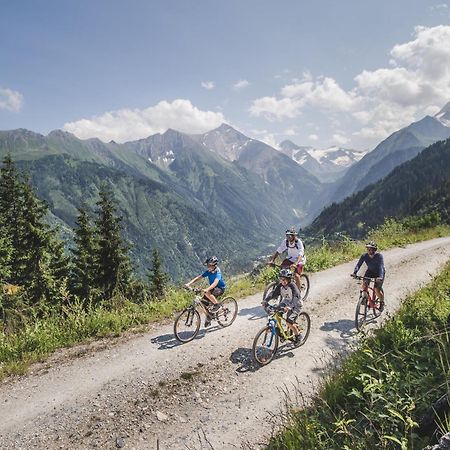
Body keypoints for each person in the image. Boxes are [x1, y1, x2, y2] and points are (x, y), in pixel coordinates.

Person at [262, 268, 303, 344]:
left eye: (284, 280)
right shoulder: (281, 285)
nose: (282, 281)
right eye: (281, 279)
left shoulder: (292, 286)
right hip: (286, 302)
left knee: (289, 322)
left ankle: (298, 335)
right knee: (276, 312)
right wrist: (265, 300)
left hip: (296, 304)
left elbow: (296, 297)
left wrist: (289, 307)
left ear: (288, 279)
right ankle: (280, 332)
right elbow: (273, 293)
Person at [185, 255, 226, 327]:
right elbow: (198, 277)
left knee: (207, 293)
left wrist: (207, 289)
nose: (208, 267)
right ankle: (209, 316)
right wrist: (189, 284)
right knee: (203, 303)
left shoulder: (217, 272)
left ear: (214, 265)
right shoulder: (208, 272)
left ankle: (217, 305)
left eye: (209, 265)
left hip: (220, 288)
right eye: (207, 265)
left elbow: (215, 283)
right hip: (212, 288)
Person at [351, 241, 385, 311]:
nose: (369, 250)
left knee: (376, 289)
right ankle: (365, 298)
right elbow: (358, 265)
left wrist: (380, 277)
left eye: (371, 249)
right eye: (368, 249)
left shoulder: (379, 256)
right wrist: (354, 272)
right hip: (370, 271)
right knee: (364, 284)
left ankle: (382, 303)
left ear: (374, 249)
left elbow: (381, 266)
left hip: (379, 272)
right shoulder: (364, 256)